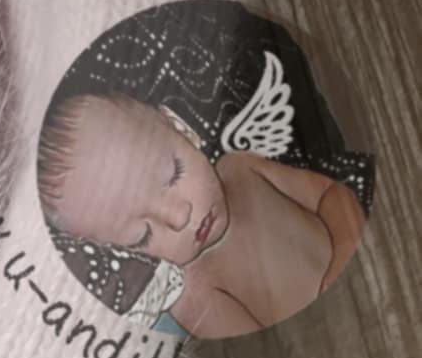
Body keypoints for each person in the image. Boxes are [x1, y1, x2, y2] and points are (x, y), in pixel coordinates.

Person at [37, 90, 366, 338]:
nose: (179, 217)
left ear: (182, 128)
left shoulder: (242, 168)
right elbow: (273, 352)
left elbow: (332, 194)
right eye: (142, 236)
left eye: (174, 174)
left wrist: (346, 261)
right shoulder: (196, 297)